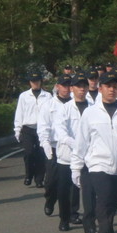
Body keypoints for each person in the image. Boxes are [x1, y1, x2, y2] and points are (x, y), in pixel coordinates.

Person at [70, 71, 117, 233]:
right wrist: (76, 166)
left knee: (112, 202)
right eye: (108, 86)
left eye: (115, 86)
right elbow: (82, 141)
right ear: (100, 88)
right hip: (98, 164)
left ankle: (106, 229)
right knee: (104, 199)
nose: (112, 90)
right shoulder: (90, 113)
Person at [53, 71, 90, 231]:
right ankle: (64, 218)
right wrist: (78, 145)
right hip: (66, 157)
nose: (81, 89)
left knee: (85, 190)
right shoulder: (64, 108)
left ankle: (78, 215)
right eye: (78, 86)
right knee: (64, 189)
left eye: (84, 86)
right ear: (72, 88)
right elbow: (61, 133)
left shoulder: (94, 107)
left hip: (88, 157)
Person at [37, 75, 72, 218]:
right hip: (53, 147)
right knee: (51, 181)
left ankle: (70, 212)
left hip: (70, 148)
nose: (66, 88)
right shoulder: (48, 105)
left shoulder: (76, 104)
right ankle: (50, 200)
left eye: (69, 85)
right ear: (57, 86)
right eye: (63, 85)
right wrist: (45, 143)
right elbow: (43, 126)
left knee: (71, 183)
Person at [13, 72, 49, 187]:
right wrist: (17, 129)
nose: (35, 83)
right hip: (28, 128)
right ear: (30, 82)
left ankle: (39, 179)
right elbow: (19, 113)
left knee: (41, 154)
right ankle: (29, 175)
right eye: (33, 81)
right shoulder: (24, 96)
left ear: (40, 81)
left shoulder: (47, 96)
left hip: (42, 128)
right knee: (29, 153)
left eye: (37, 81)